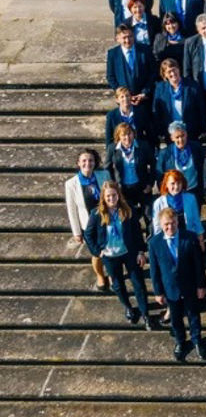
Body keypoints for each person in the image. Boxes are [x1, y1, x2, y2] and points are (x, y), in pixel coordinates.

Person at [82, 180, 151, 330]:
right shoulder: (97, 214)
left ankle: (145, 313)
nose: (111, 199)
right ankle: (128, 307)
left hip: (129, 252)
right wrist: (97, 251)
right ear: (103, 198)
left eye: (114, 195)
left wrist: (141, 251)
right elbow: (88, 234)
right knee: (118, 284)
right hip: (110, 255)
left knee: (138, 283)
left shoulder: (128, 210)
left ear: (118, 195)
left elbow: (137, 232)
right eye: (108, 197)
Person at [148, 206, 206, 361]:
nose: (170, 227)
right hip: (170, 289)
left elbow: (198, 265)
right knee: (175, 318)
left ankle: (197, 340)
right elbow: (154, 271)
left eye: (173, 223)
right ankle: (180, 341)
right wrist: (158, 292)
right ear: (161, 224)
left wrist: (201, 286)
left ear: (177, 222)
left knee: (194, 315)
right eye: (167, 224)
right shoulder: (154, 243)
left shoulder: (190, 237)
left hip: (190, 286)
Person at [65, 148, 112, 293]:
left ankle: (111, 274)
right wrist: (76, 232)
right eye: (84, 161)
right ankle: (100, 275)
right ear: (78, 163)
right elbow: (71, 209)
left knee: (112, 249)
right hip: (89, 224)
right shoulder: (71, 184)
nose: (88, 163)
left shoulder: (104, 175)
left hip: (108, 219)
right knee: (96, 253)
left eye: (90, 160)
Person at [153, 60, 206, 145]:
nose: (173, 73)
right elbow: (157, 110)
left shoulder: (192, 86)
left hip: (190, 131)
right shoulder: (160, 88)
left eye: (174, 69)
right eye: (169, 72)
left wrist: (202, 129)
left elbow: (201, 108)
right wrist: (160, 130)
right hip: (170, 132)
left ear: (178, 69)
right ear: (164, 74)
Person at [106, 23, 155, 108]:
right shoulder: (112, 54)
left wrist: (144, 93)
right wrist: (123, 95)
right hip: (124, 102)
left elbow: (153, 73)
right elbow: (110, 76)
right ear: (117, 39)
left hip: (144, 100)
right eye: (124, 38)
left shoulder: (145, 50)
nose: (128, 40)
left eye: (130, 36)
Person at [109, 122, 156, 212]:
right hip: (123, 189)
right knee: (127, 215)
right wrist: (114, 185)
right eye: (123, 135)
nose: (127, 138)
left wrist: (150, 184)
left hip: (142, 187)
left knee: (148, 214)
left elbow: (153, 164)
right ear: (118, 136)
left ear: (134, 133)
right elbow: (107, 168)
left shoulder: (143, 146)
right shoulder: (112, 149)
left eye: (129, 133)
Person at [152, 168, 203, 239]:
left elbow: (196, 221)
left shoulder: (191, 198)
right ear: (166, 184)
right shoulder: (158, 203)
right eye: (172, 183)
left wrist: (201, 239)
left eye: (179, 183)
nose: (176, 187)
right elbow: (157, 227)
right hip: (168, 240)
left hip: (188, 238)